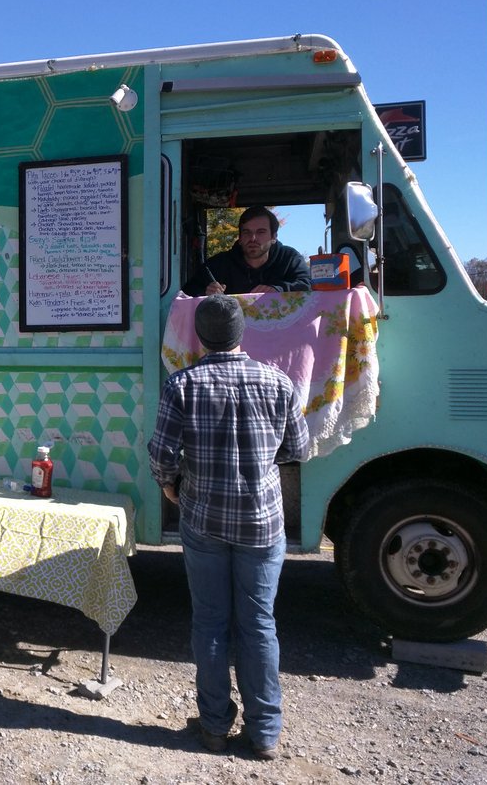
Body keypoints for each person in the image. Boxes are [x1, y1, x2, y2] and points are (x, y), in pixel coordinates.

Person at [148, 294, 310, 760]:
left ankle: (215, 725)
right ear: (243, 334)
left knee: (211, 621)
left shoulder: (183, 384)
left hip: (203, 518)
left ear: (200, 336)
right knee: (259, 624)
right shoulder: (278, 381)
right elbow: (295, 449)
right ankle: (265, 735)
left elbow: (161, 454)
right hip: (262, 523)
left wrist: (171, 486)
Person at [182, 206, 312, 296]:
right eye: (246, 232)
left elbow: (310, 285)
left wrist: (279, 289)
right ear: (240, 237)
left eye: (261, 232)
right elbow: (186, 293)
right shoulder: (219, 263)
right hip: (229, 334)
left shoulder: (289, 258)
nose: (253, 238)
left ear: (274, 237)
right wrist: (206, 292)